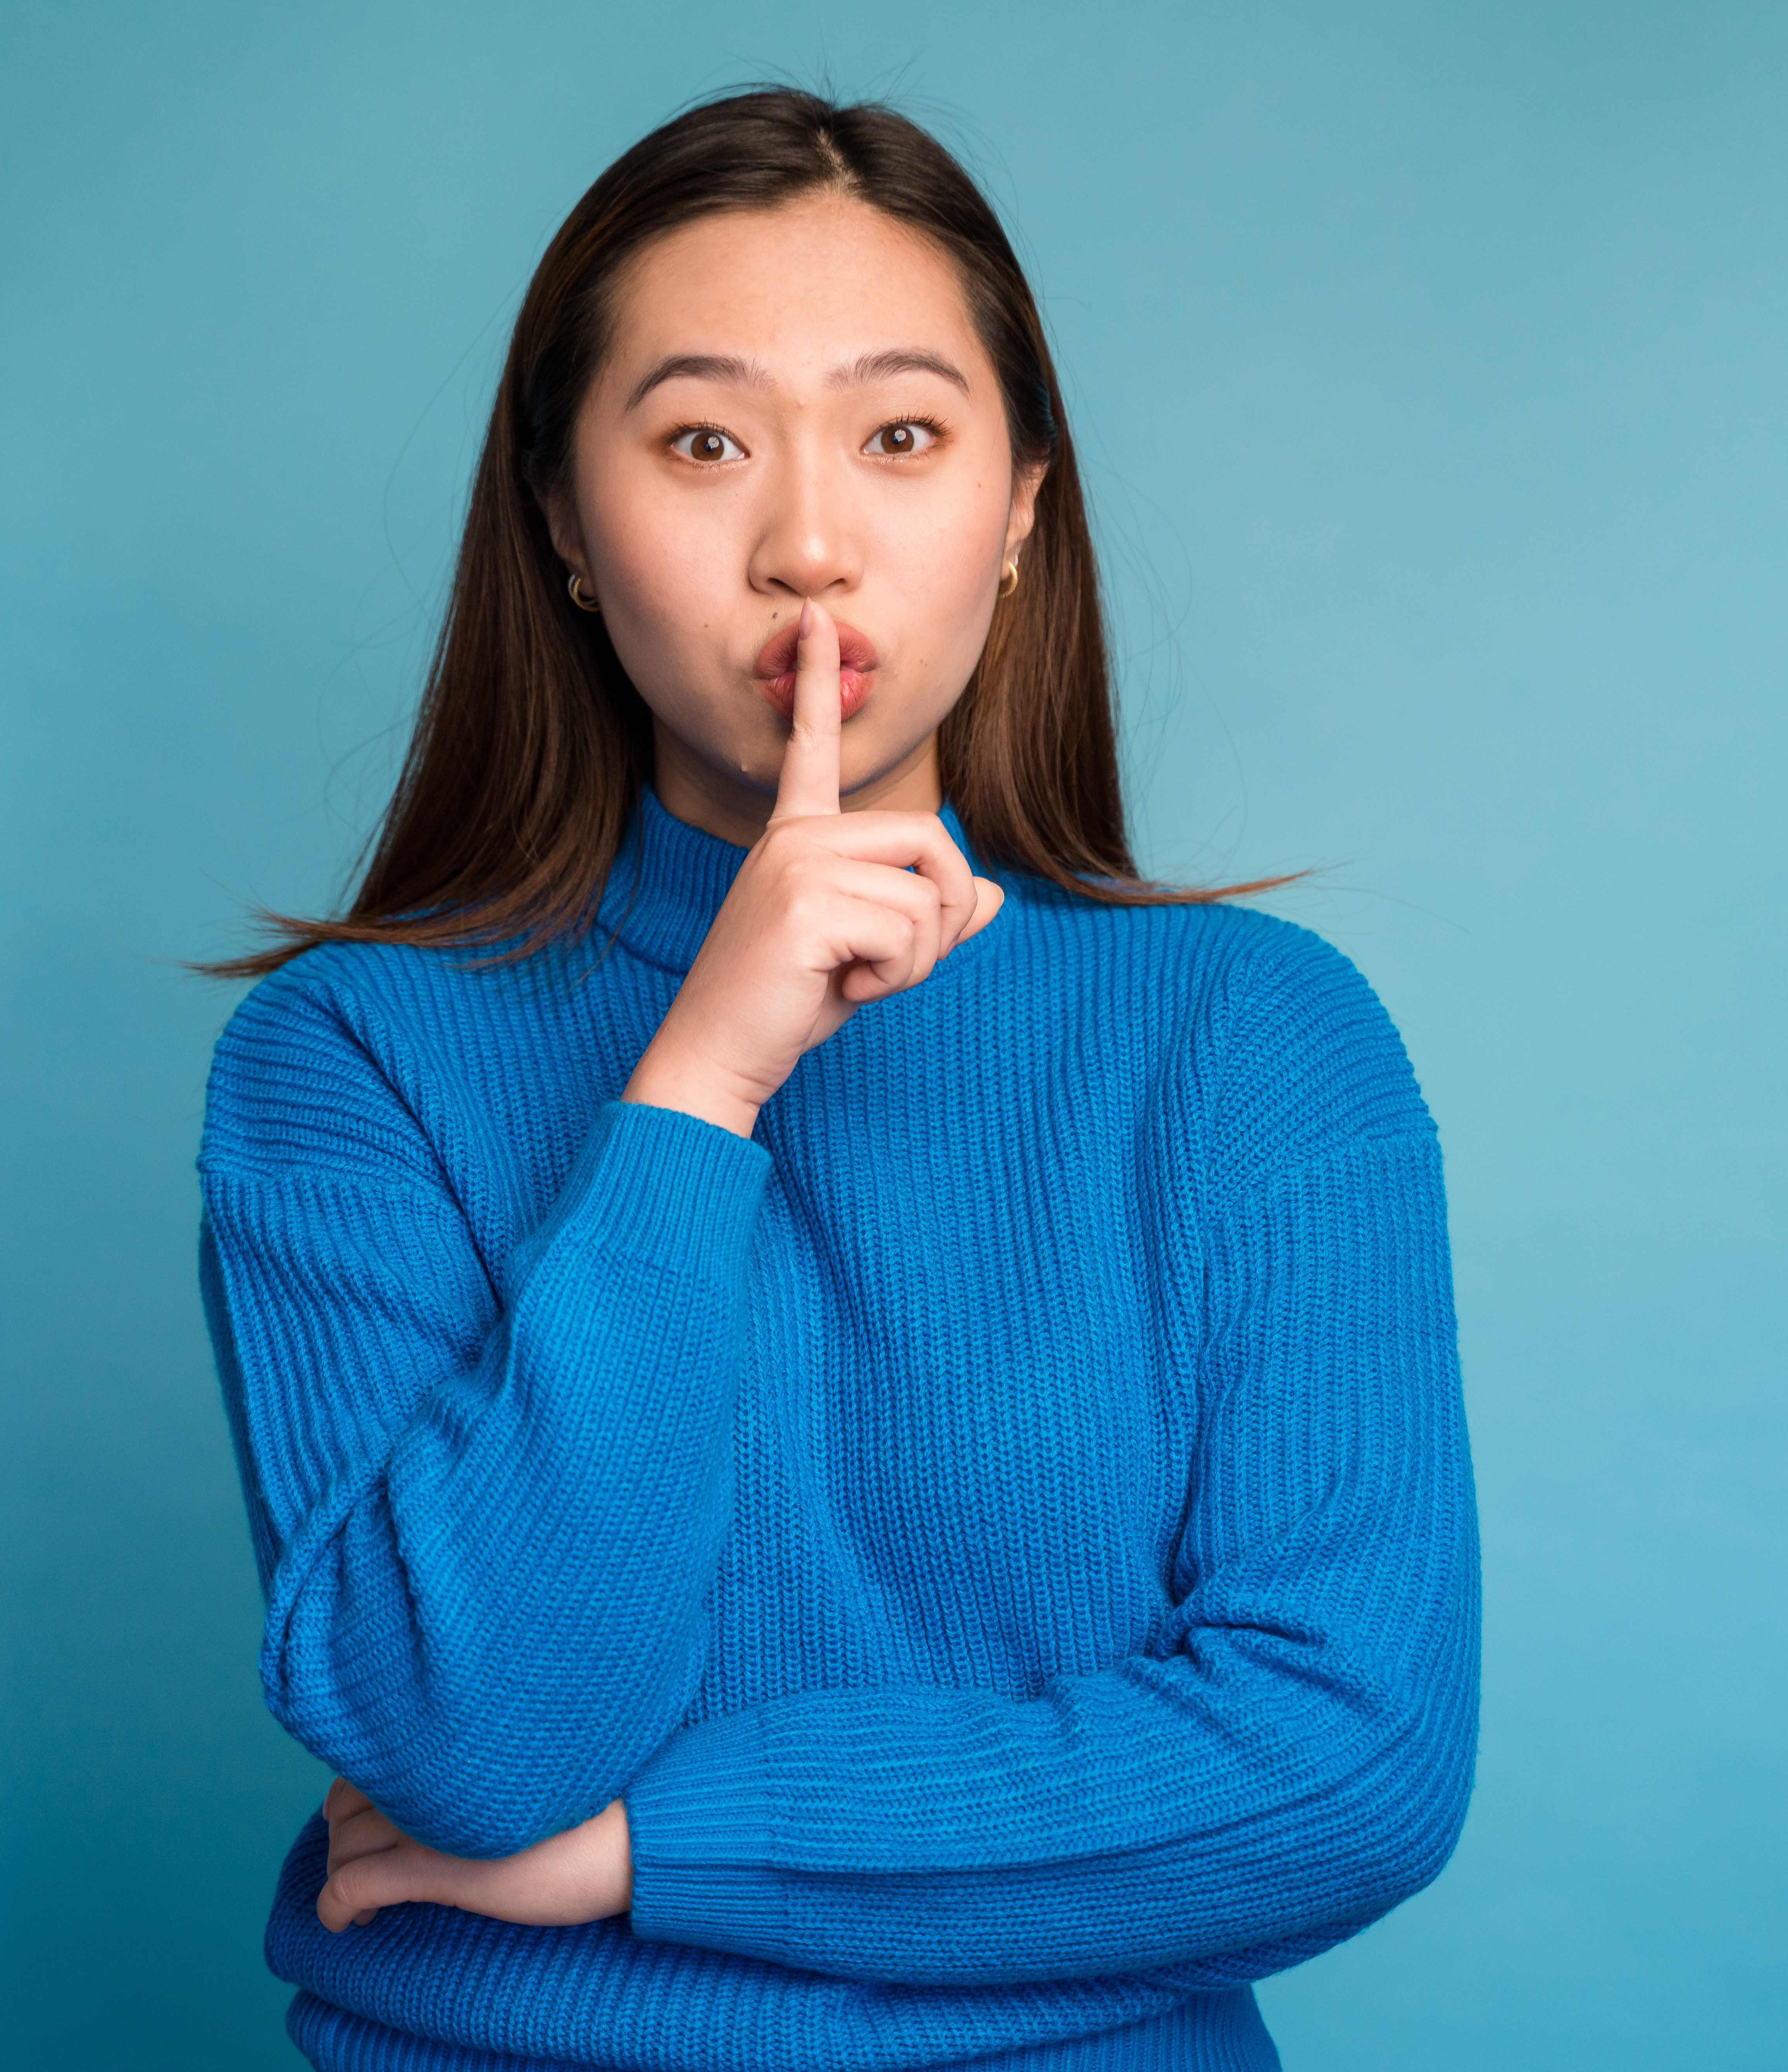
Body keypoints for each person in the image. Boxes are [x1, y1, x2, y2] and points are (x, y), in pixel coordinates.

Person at [195, 86, 1479, 2072]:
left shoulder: (1248, 1043)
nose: (808, 544)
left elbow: (1343, 1766)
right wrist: (697, 1082)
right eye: (701, 442)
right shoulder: (346, 1061)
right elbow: (470, 1736)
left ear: (1023, 503)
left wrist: (640, 1852)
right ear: (558, 521)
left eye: (901, 437)